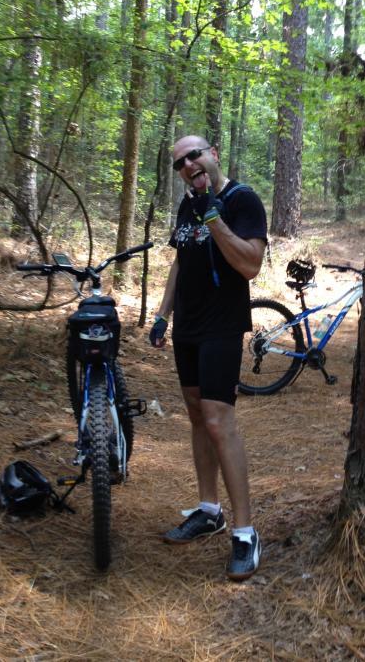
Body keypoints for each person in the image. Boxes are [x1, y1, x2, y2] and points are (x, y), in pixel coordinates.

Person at [149, 135, 267, 581]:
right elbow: (180, 261)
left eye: (194, 155)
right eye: (180, 162)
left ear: (213, 154)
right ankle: (208, 510)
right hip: (189, 327)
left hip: (221, 324)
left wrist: (214, 217)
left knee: (220, 421)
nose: (188, 165)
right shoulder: (186, 204)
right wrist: (163, 315)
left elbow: (251, 264)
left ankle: (245, 532)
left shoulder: (242, 200)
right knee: (198, 416)